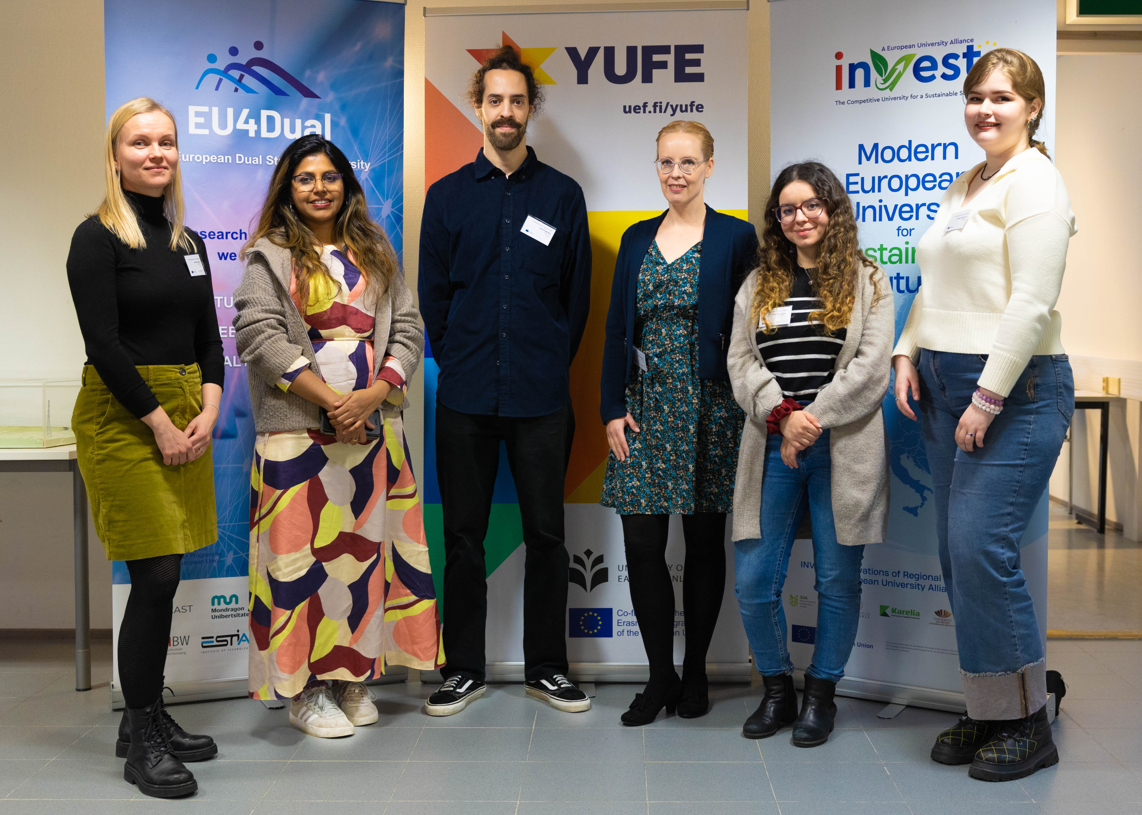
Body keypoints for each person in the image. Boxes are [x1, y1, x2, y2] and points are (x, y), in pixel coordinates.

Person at [892, 48, 1076, 781]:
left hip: (1015, 387)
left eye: (1002, 97)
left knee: (981, 549)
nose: (985, 109)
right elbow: (934, 283)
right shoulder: (972, 181)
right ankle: (990, 706)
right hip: (942, 376)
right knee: (956, 556)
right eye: (975, 97)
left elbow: (1030, 303)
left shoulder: (1037, 182)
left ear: (1031, 106)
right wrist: (907, 349)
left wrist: (988, 397)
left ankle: (1028, 720)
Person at [234, 135, 441, 738]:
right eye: (305, 178)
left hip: (373, 433)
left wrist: (373, 396)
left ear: (347, 184)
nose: (318, 187)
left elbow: (407, 327)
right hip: (298, 436)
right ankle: (303, 693)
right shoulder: (268, 256)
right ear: (287, 188)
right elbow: (261, 337)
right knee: (300, 565)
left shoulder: (375, 252)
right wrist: (333, 404)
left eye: (329, 177)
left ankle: (351, 679)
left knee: (360, 563)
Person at [418, 45, 592, 716]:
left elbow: (575, 303)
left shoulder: (562, 196)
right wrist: (459, 359)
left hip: (542, 397)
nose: (507, 112)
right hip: (463, 396)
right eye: (496, 100)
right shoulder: (447, 197)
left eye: (518, 100)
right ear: (478, 106)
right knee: (463, 534)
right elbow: (434, 296)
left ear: (531, 109)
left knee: (548, 533)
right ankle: (463, 667)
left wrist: (545, 360)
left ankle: (547, 665)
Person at [67, 97, 220, 798]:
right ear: (116, 154)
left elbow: (209, 339)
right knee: (155, 575)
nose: (156, 153)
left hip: (188, 407)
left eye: (166, 141)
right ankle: (142, 738)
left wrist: (211, 405)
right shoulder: (96, 238)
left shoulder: (187, 242)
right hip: (124, 414)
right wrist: (158, 419)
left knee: (170, 569)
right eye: (140, 142)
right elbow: (104, 343)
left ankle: (147, 714)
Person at [599, 121, 759, 726]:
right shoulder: (637, 238)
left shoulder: (735, 238)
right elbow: (617, 328)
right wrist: (612, 406)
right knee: (641, 543)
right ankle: (658, 675)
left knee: (701, 543)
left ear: (710, 166)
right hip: (642, 407)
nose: (676, 173)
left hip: (712, 407)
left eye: (689, 162)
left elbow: (751, 328)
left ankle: (695, 676)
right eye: (666, 162)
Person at [727, 162, 892, 746]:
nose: (800, 218)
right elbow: (740, 362)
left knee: (837, 582)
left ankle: (821, 696)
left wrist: (811, 419)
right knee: (753, 582)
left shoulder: (868, 280)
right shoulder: (759, 282)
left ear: (833, 209)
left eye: (811, 205)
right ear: (776, 219)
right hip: (772, 448)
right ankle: (778, 693)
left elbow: (872, 369)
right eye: (787, 209)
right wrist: (783, 417)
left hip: (842, 450)